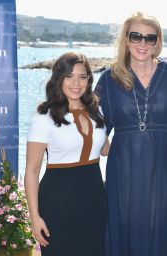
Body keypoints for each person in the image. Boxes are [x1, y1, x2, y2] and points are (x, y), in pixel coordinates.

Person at [95, 11, 167, 256]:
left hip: (163, 167)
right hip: (123, 169)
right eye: (136, 36)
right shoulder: (109, 78)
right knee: (125, 225)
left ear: (158, 42)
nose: (143, 43)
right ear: (126, 39)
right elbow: (96, 128)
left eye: (150, 38)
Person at [24, 52, 109, 256]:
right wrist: (35, 217)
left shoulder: (97, 111)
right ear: (58, 79)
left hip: (94, 201)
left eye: (82, 76)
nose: (76, 83)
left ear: (89, 79)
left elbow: (106, 150)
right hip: (57, 204)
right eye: (69, 76)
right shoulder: (44, 117)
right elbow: (32, 171)